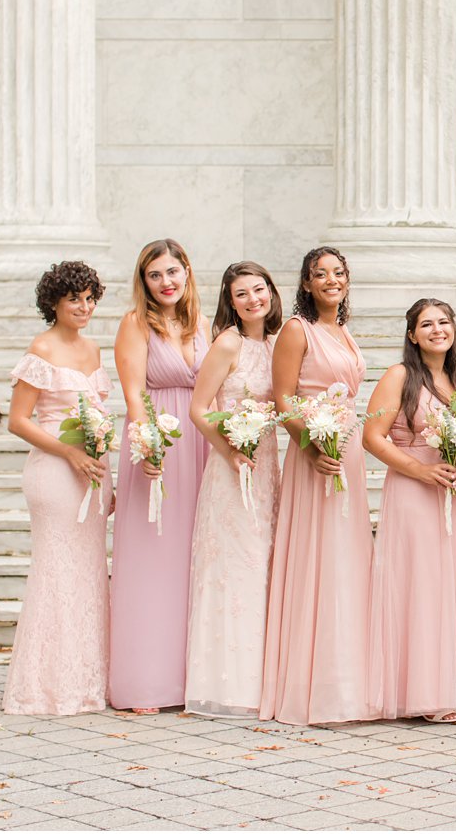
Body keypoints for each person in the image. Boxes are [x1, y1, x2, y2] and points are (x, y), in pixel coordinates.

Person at [260, 247, 376, 725]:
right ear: (306, 284)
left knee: (347, 556)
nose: (331, 280)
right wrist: (310, 445)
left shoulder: (343, 331)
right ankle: (311, 684)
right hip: (314, 453)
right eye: (320, 274)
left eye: (339, 272)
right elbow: (282, 397)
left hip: (346, 450)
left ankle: (348, 677)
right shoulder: (296, 330)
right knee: (318, 556)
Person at [365, 299, 456, 724]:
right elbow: (372, 437)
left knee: (451, 585)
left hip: (454, 493)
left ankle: (450, 684)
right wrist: (420, 470)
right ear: (412, 335)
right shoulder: (399, 376)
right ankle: (421, 693)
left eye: (444, 322)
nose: (437, 330)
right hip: (415, 492)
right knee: (421, 585)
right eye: (426, 324)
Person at [4, 262, 112, 716]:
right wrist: (68, 453)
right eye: (75, 300)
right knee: (56, 570)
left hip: (92, 470)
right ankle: (43, 687)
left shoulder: (94, 349)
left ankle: (85, 680)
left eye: (90, 299)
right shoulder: (41, 349)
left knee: (88, 571)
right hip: (54, 470)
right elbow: (18, 420)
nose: (84, 308)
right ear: (54, 303)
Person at [110, 239, 211, 712]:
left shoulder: (202, 324)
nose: (166, 282)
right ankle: (146, 681)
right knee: (154, 556)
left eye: (172, 272)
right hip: (157, 441)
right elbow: (133, 395)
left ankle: (192, 678)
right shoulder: (135, 325)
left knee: (194, 557)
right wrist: (147, 447)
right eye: (155, 275)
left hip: (201, 445)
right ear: (143, 282)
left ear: (186, 272)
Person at [184, 261, 283, 718]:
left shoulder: (277, 344)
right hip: (232, 469)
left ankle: (266, 680)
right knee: (235, 565)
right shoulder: (227, 343)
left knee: (264, 561)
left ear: (271, 292)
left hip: (268, 469)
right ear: (230, 300)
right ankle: (229, 686)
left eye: (258, 290)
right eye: (241, 293)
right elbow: (199, 409)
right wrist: (229, 452)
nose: (252, 300)